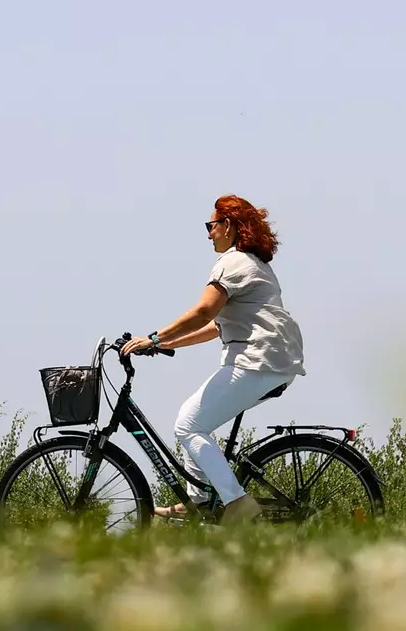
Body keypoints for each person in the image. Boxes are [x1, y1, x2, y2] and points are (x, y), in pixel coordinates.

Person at [124, 195, 305, 524]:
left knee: (188, 425)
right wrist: (162, 343)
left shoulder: (233, 263)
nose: (208, 234)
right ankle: (202, 500)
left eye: (211, 226)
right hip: (268, 360)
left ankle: (237, 505)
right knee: (195, 422)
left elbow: (204, 311)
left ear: (229, 226)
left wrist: (154, 337)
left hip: (258, 361)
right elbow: (213, 327)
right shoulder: (253, 263)